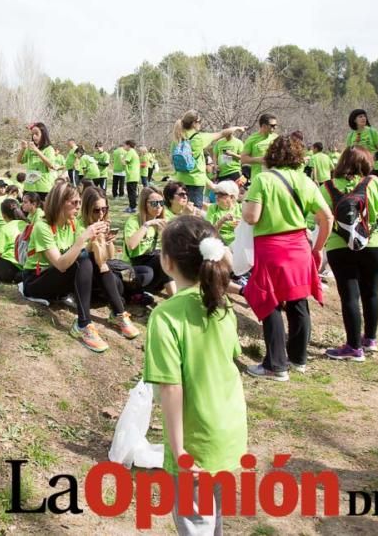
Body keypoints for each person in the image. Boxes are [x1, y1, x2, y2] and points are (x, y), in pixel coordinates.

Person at [143, 216, 247, 535]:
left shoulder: (165, 316)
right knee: (211, 513)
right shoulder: (222, 304)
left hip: (195, 441)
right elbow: (230, 359)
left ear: (167, 262)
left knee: (195, 522)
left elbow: (171, 389)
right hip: (228, 432)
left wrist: (179, 452)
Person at [241, 135, 331, 381]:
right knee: (298, 301)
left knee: (269, 302)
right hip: (299, 246)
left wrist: (244, 204)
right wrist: (318, 247)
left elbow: (251, 217)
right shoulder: (305, 181)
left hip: (271, 248)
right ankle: (298, 359)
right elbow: (327, 217)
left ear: (271, 154)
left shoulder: (263, 180)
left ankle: (276, 365)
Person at [320, 146, 378, 361]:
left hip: (339, 246)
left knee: (349, 296)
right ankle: (370, 339)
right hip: (373, 243)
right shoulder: (373, 183)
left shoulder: (327, 187)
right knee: (371, 292)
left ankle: (353, 346)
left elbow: (320, 218)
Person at [22, 181, 112, 352]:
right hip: (35, 281)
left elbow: (90, 253)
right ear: (60, 202)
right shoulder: (43, 227)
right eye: (74, 203)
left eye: (79, 202)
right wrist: (83, 238)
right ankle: (83, 324)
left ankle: (118, 312)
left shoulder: (73, 223)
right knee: (82, 260)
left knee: (88, 258)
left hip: (57, 280)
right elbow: (61, 264)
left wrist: (101, 240)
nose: (78, 207)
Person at [80, 186, 153, 310]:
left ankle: (129, 293)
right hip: (92, 271)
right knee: (120, 282)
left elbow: (110, 256)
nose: (101, 214)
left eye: (104, 209)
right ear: (87, 209)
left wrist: (109, 241)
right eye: (96, 210)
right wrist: (93, 239)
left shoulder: (104, 222)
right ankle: (127, 294)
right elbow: (82, 257)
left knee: (146, 272)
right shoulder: (81, 226)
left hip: (107, 265)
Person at [170, 111, 245, 207]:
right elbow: (222, 133)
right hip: (195, 182)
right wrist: (236, 128)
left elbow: (172, 160)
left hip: (179, 181)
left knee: (183, 210)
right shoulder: (198, 138)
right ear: (194, 123)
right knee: (195, 214)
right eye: (200, 122)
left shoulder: (177, 138)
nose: (201, 124)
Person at [124, 186, 177, 297]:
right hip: (133, 267)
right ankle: (174, 297)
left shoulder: (162, 218)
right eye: (154, 203)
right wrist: (147, 225)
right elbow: (131, 245)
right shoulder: (134, 221)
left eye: (161, 203)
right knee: (151, 269)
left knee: (166, 256)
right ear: (144, 204)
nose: (158, 206)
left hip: (151, 263)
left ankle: (175, 296)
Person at [345, 109, 378, 180]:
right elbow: (348, 156)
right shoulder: (350, 135)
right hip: (358, 170)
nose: (363, 118)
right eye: (360, 116)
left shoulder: (372, 132)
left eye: (364, 116)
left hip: (374, 168)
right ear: (354, 120)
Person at [18, 123, 56, 202]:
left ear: (43, 134)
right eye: (32, 134)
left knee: (42, 212)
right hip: (29, 186)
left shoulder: (49, 149)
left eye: (36, 134)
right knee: (26, 211)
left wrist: (36, 150)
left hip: (43, 188)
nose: (34, 136)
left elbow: (51, 165)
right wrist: (23, 149)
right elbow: (19, 161)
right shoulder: (30, 148)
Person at [239, 113, 279, 181]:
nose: (275, 127)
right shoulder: (252, 139)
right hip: (258, 179)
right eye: (272, 125)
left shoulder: (276, 138)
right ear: (264, 126)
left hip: (274, 178)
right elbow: (243, 159)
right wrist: (259, 160)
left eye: (276, 125)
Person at [204, 180, 242, 246]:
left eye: (221, 195)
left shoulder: (240, 208)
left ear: (232, 197)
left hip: (238, 240)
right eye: (216, 194)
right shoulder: (213, 208)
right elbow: (208, 231)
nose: (216, 197)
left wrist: (242, 225)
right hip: (219, 242)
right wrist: (221, 221)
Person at [122, 140, 141, 213]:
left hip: (131, 175)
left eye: (125, 145)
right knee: (131, 192)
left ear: (128, 145)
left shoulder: (130, 152)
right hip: (133, 175)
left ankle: (133, 207)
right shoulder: (133, 152)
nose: (124, 147)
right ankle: (131, 206)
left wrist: (122, 158)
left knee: (131, 192)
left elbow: (124, 162)